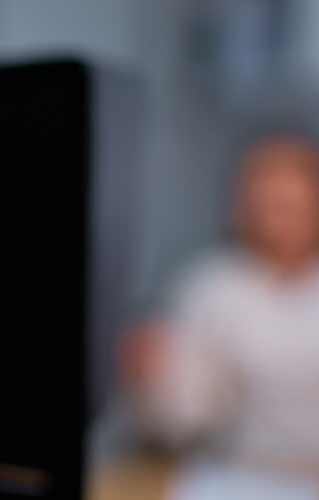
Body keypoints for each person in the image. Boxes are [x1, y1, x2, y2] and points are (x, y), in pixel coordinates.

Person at [127, 134, 319, 463]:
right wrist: (151, 379)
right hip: (239, 480)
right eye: (264, 207)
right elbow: (183, 415)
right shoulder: (210, 286)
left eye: (289, 208)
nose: (276, 224)